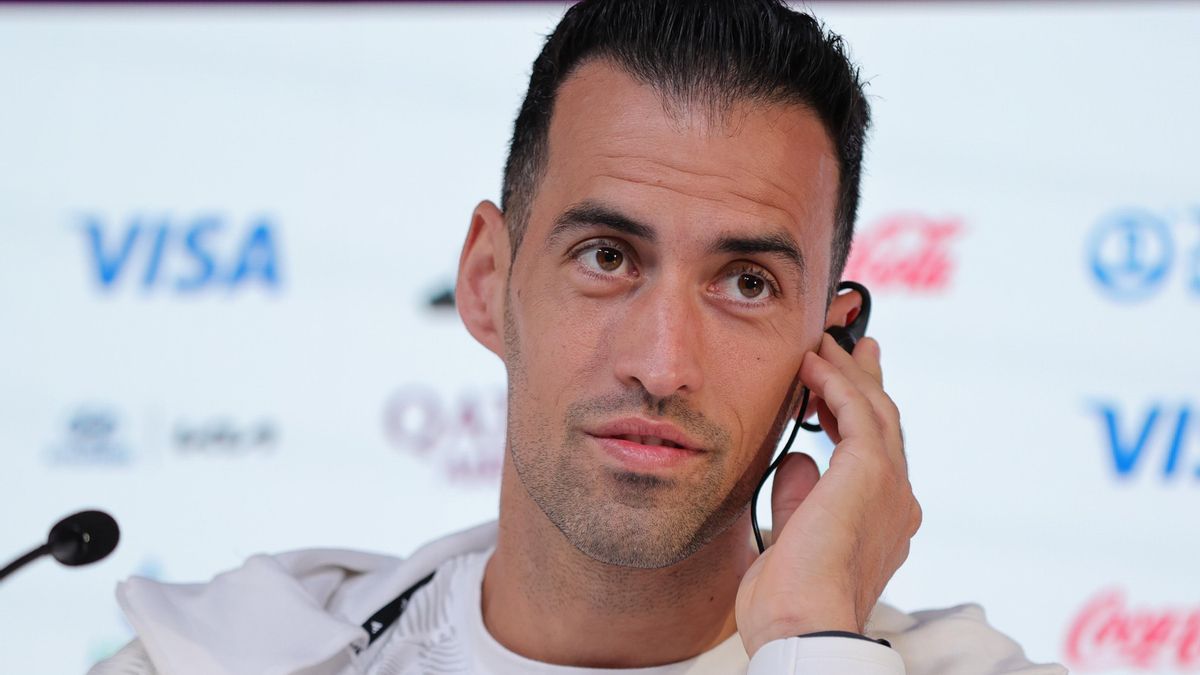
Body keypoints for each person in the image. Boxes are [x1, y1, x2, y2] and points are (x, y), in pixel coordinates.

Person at [92, 1, 1066, 673]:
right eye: (607, 258)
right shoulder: (214, 659)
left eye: (745, 282)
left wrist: (812, 642)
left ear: (834, 351)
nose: (661, 363)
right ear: (486, 281)